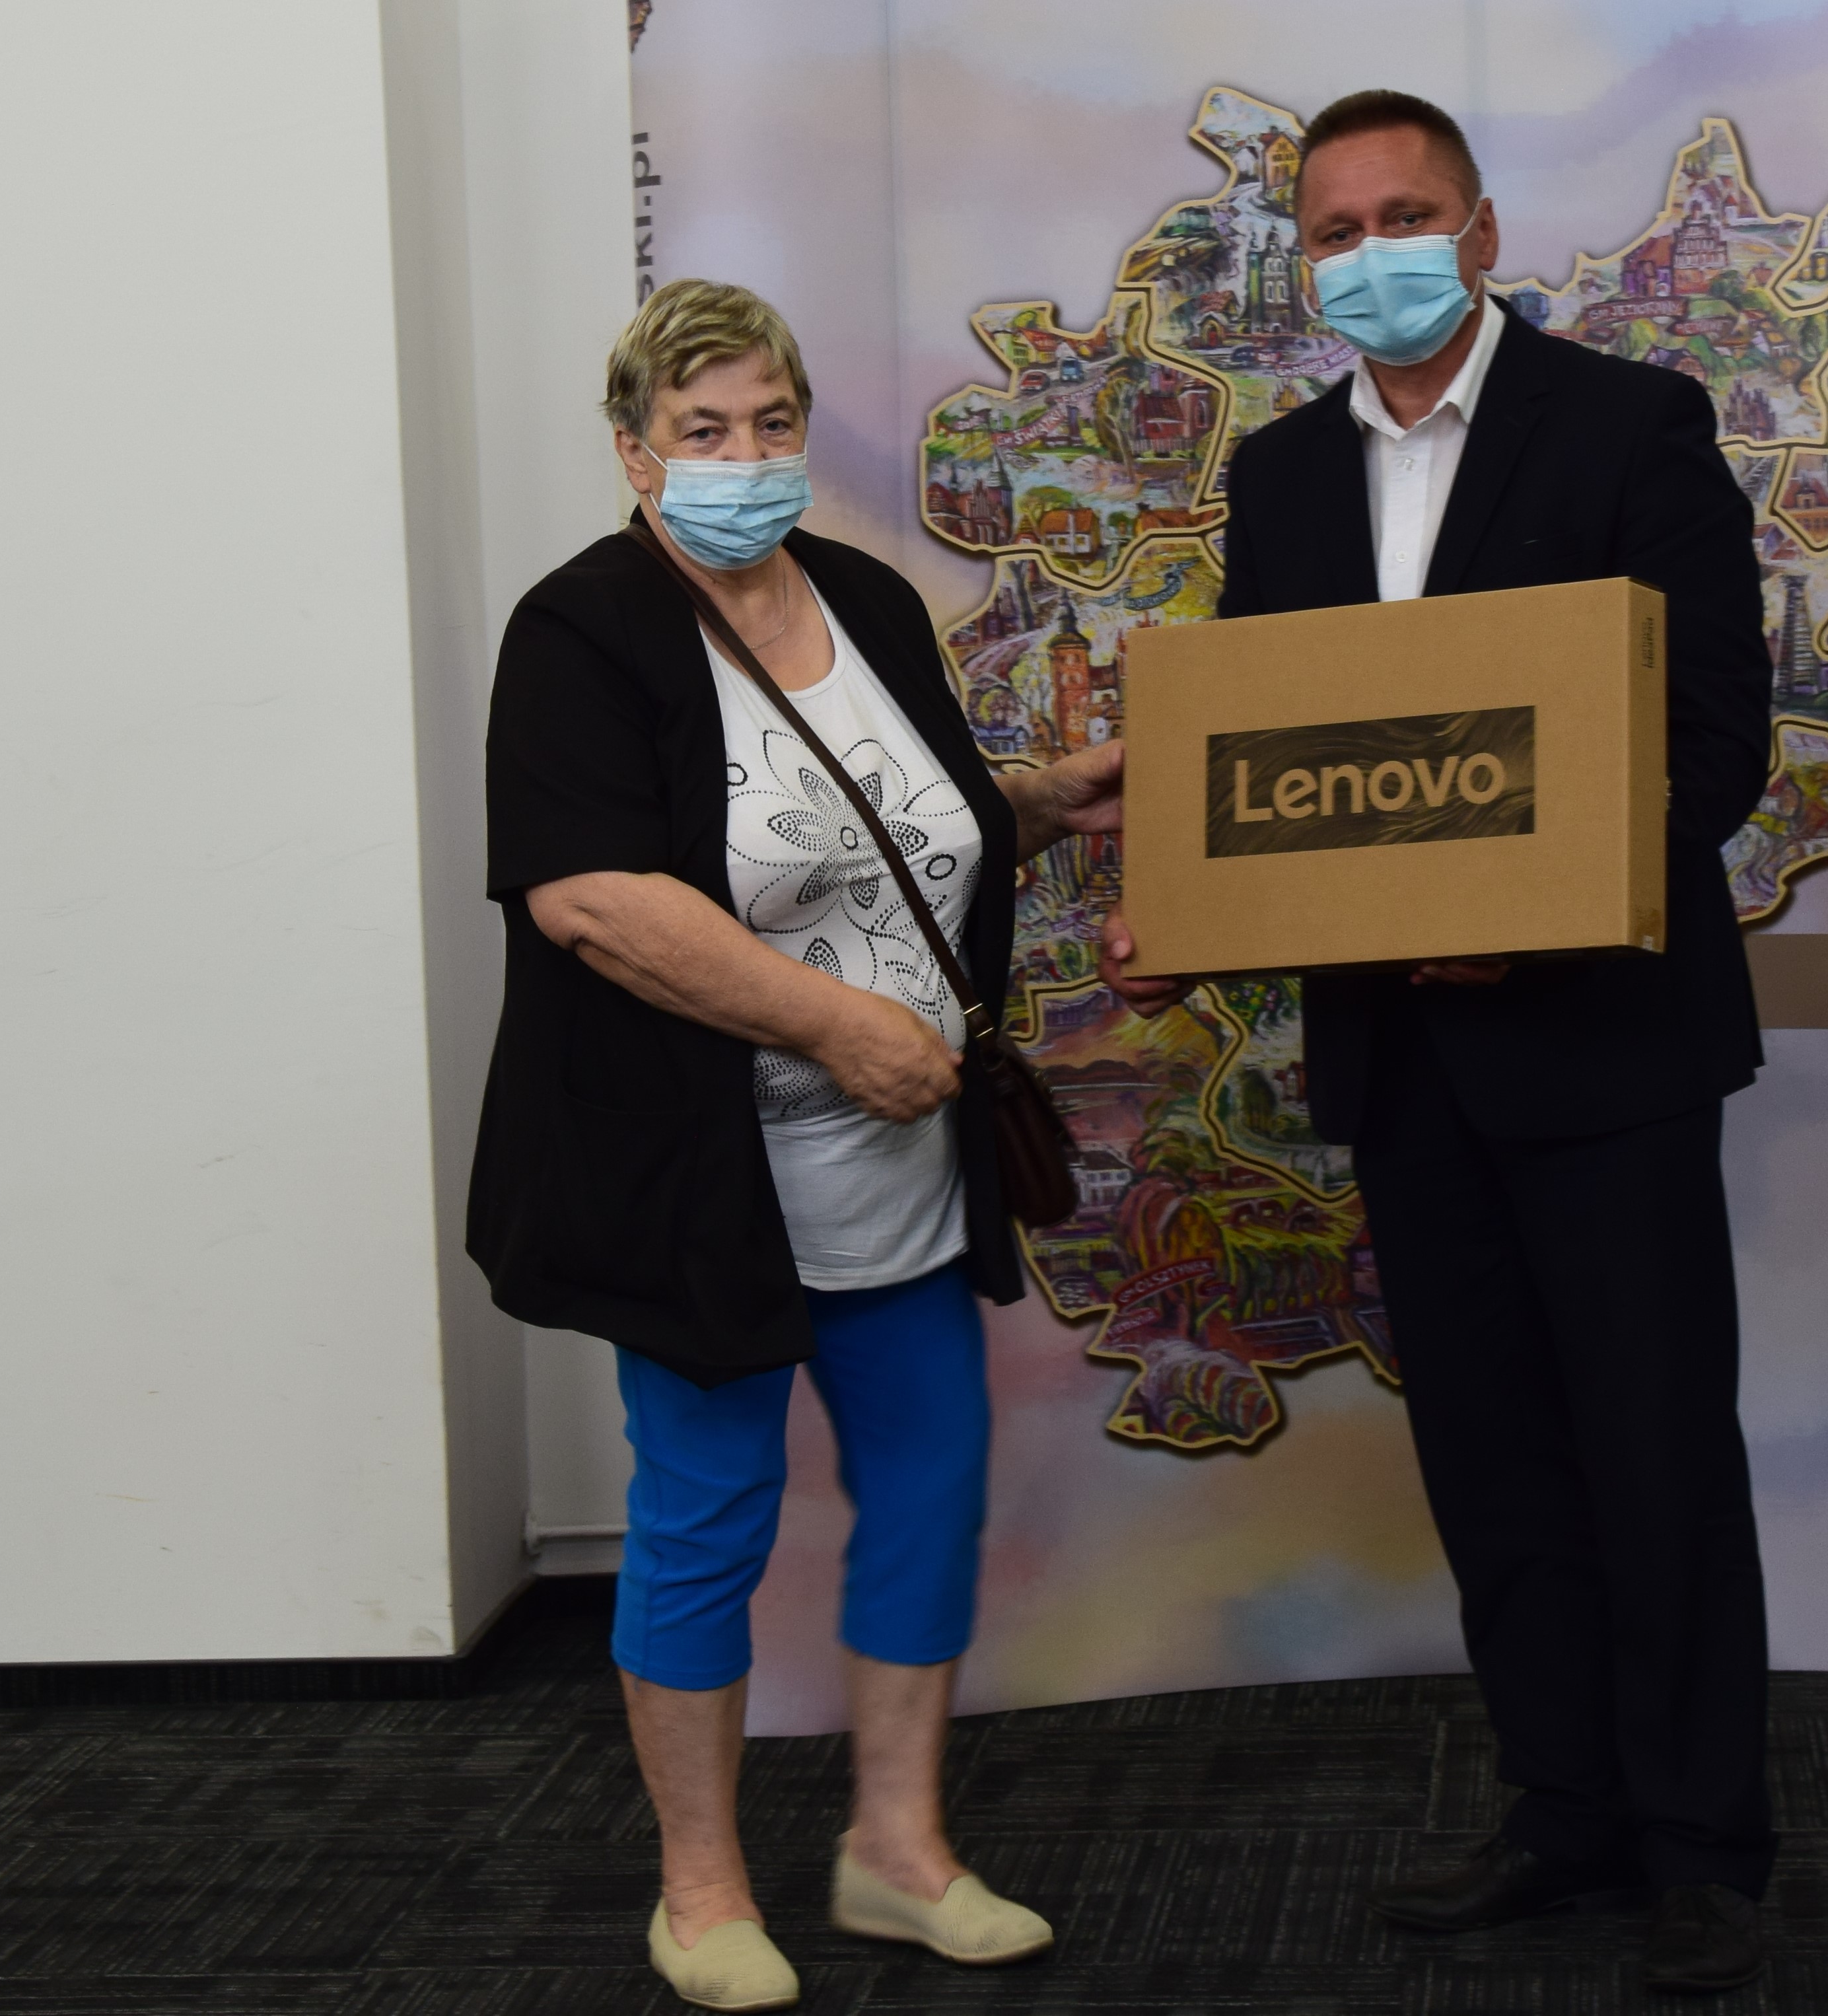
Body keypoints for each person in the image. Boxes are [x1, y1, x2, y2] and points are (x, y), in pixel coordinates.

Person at [1102, 91, 1778, 1995]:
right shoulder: (1279, 477)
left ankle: (1702, 1848)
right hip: (1401, 1060)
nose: (1371, 255)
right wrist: (1189, 922)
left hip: (1604, 1053)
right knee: (1490, 1463)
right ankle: (1563, 1812)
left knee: (1652, 1452)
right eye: (1335, 231)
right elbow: (1266, 769)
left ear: (1479, 233)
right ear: (1302, 263)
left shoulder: (1630, 425)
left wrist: (1540, 907)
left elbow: (1714, 742)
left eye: (1405, 216)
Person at [471, 279, 1121, 2011]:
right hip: (704, 1183)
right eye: (702, 430)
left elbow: (906, 827)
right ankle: (700, 1893)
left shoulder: (869, 599)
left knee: (929, 1489)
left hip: (903, 1174)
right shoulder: (580, 631)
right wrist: (837, 1027)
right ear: (634, 451)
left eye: (769, 422)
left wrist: (1039, 804)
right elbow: (592, 899)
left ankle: (897, 1852)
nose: (743, 455)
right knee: (708, 1516)